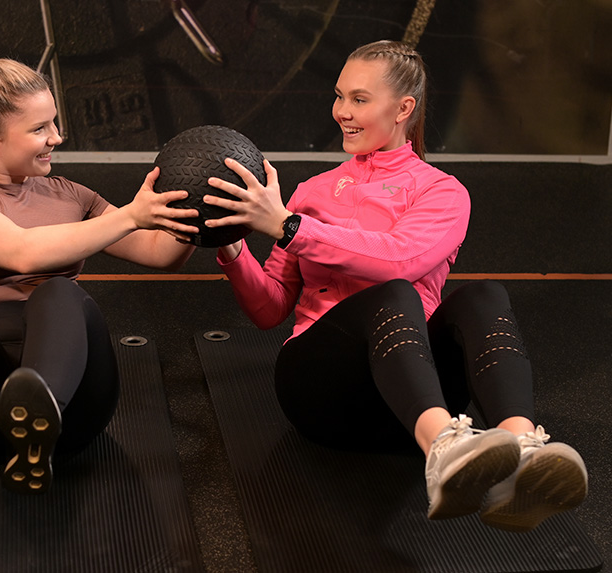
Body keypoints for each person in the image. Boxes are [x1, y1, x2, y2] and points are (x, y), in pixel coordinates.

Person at [202, 39, 588, 532]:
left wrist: (288, 226)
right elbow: (269, 308)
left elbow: (398, 259)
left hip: (412, 394)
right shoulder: (311, 192)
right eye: (339, 96)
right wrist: (232, 248)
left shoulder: (442, 192)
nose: (342, 112)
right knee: (393, 293)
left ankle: (523, 454)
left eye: (359, 99)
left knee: (483, 295)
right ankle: (444, 448)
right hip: (323, 391)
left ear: (404, 108)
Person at [0, 37, 198, 505]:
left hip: (72, 404)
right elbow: (21, 251)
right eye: (39, 128)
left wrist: (203, 213)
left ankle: (38, 411)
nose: (57, 138)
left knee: (60, 294)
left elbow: (157, 251)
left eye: (54, 123)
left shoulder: (71, 194)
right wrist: (129, 215)